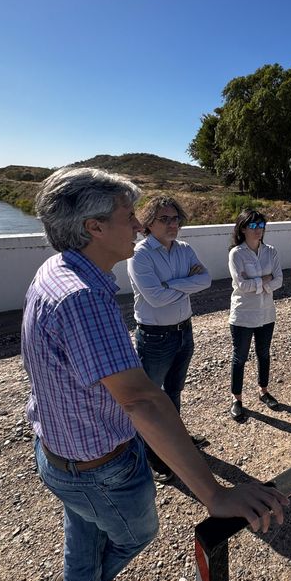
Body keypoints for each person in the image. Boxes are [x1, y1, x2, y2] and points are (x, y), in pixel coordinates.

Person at [22, 167, 287, 581]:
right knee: (137, 532)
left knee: (84, 537)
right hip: (99, 464)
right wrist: (214, 493)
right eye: (128, 217)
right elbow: (143, 398)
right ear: (95, 227)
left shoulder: (55, 270)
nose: (139, 227)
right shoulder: (83, 297)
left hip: (59, 452)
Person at [127, 195, 211, 483]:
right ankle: (154, 456)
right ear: (149, 222)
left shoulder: (184, 249)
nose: (173, 224)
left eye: (175, 218)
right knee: (150, 400)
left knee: (173, 392)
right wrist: (186, 284)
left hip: (183, 331)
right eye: (165, 219)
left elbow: (207, 280)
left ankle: (176, 442)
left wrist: (171, 284)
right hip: (155, 336)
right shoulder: (140, 255)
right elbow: (155, 298)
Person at [228, 209, 283, 421]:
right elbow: (240, 285)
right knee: (239, 357)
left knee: (264, 353)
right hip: (243, 314)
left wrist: (257, 283)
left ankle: (264, 390)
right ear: (242, 228)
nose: (258, 230)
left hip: (266, 314)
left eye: (261, 226)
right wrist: (265, 280)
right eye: (253, 226)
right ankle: (237, 398)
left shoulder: (271, 251)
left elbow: (279, 280)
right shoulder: (236, 254)